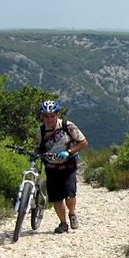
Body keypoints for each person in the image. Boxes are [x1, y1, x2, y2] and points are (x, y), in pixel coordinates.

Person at [34, 100, 88, 234]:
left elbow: (83, 142)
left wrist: (69, 152)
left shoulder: (67, 126)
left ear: (57, 115)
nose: (49, 119)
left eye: (52, 115)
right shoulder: (40, 131)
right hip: (51, 168)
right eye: (46, 116)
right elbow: (38, 148)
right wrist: (36, 155)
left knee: (70, 195)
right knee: (56, 198)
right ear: (42, 116)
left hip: (68, 166)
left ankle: (72, 213)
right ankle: (63, 223)